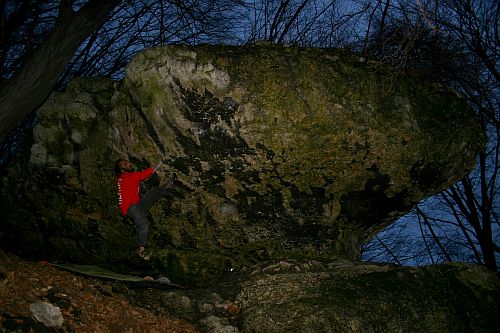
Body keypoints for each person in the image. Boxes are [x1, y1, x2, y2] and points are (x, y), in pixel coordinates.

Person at [114, 158, 171, 260]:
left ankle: (166, 187)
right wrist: (161, 161)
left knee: (152, 193)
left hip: (137, 205)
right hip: (132, 208)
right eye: (125, 164)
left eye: (128, 162)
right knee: (144, 224)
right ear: (121, 169)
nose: (129, 164)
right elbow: (147, 172)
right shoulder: (130, 177)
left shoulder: (122, 178)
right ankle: (141, 250)